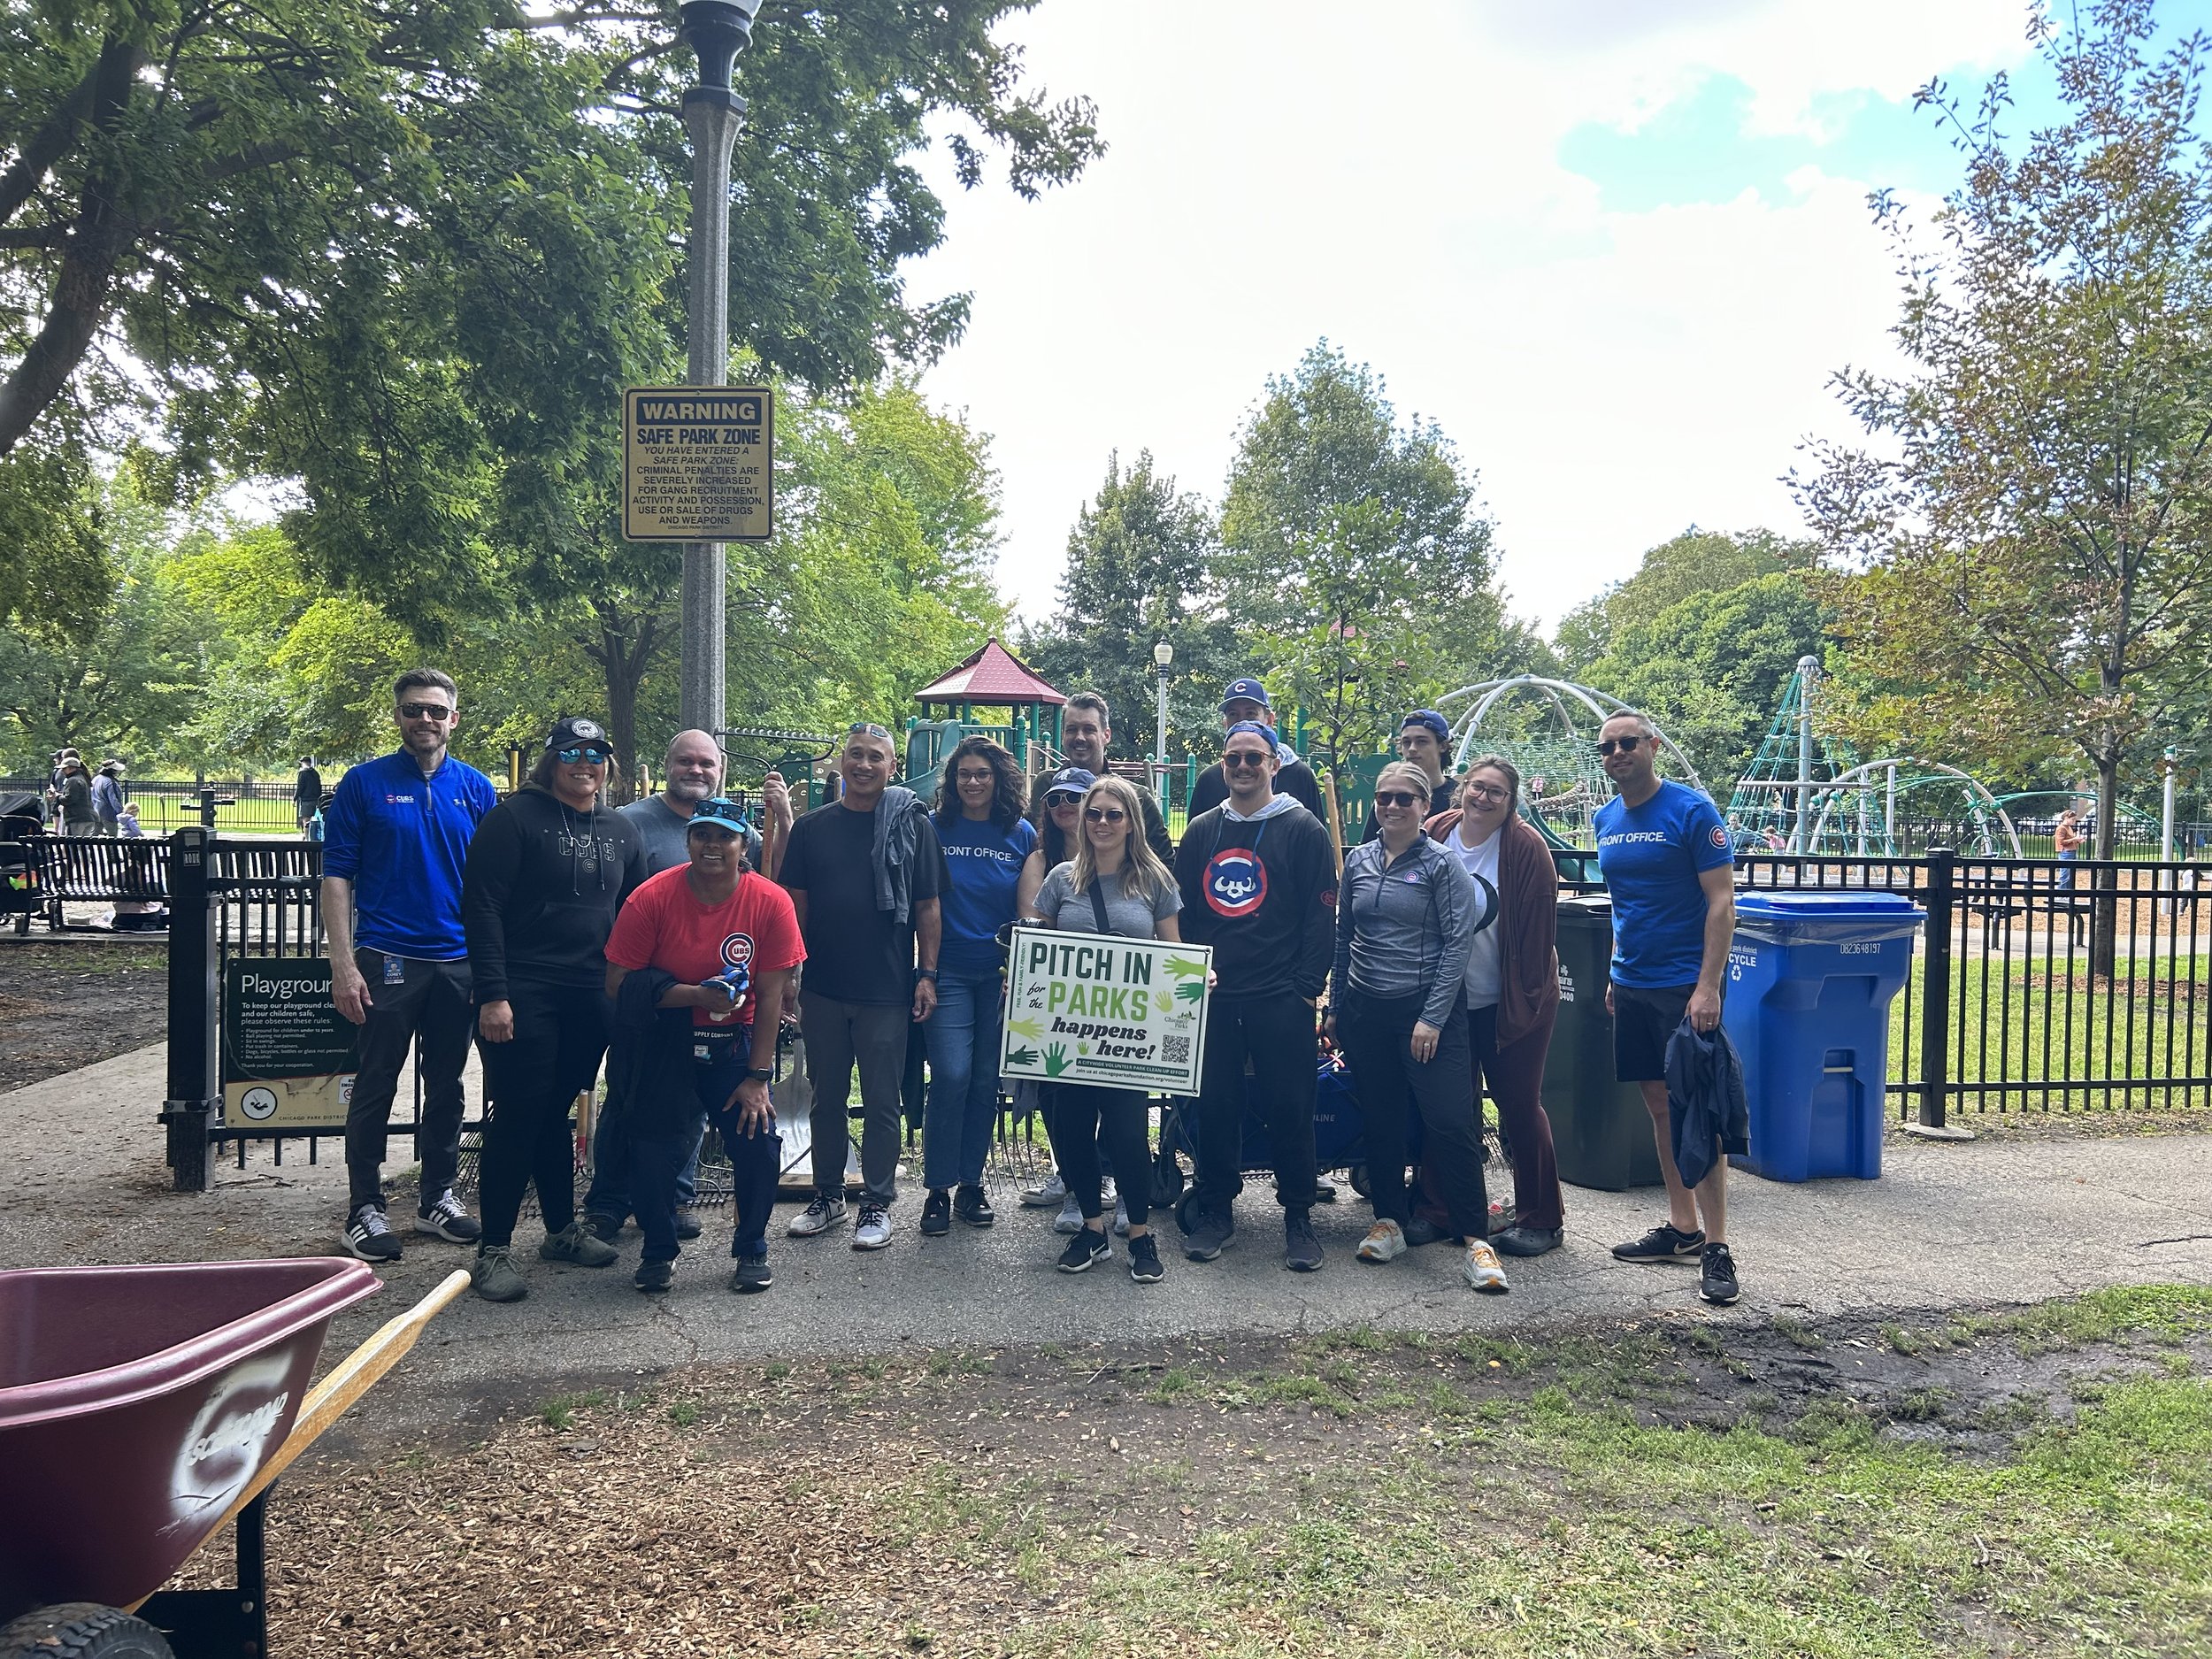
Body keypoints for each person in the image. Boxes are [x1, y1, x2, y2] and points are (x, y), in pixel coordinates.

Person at [462, 717, 645, 1302]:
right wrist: (493, 993)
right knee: (518, 1112)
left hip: (591, 994)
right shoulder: (514, 818)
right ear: (551, 759)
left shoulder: (621, 828)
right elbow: (482, 907)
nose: (584, 763)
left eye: (595, 753)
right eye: (572, 752)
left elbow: (637, 914)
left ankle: (561, 1231)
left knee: (554, 1112)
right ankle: (492, 1249)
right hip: (522, 991)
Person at [584, 730, 791, 1244]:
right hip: (650, 1004)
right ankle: (610, 1203)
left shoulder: (746, 853)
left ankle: (671, 1204)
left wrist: (783, 818)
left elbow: (774, 881)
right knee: (630, 1110)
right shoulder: (631, 823)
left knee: (695, 1120)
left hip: (724, 1026)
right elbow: (611, 909)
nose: (695, 771)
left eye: (705, 763)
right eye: (684, 762)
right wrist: (684, 991)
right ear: (667, 764)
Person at [321, 669, 500, 1263]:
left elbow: (493, 885)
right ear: (398, 717)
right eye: (411, 710)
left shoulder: (475, 789)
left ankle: (436, 1197)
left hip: (458, 962)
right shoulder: (364, 785)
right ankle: (364, 1208)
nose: (423, 719)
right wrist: (344, 964)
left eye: (433, 710)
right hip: (388, 957)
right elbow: (338, 877)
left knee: (447, 1085)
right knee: (376, 1082)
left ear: (453, 718)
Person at [604, 797, 805, 1294]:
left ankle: (752, 1247)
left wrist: (758, 1078)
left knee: (757, 1141)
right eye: (702, 835)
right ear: (688, 840)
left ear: (744, 845)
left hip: (734, 1041)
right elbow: (617, 982)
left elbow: (772, 992)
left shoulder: (769, 901)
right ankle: (657, 1250)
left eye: (725, 837)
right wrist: (695, 994)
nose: (712, 846)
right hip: (663, 1039)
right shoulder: (652, 897)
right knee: (651, 1149)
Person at [1328, 761, 1508, 1293]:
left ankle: (1476, 1239)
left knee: (1450, 1122)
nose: (1391, 807)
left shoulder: (1441, 865)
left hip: (1429, 1014)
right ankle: (1388, 1220)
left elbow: (1458, 942)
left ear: (1425, 807)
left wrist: (1431, 1017)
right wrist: (1336, 1007)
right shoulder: (1357, 861)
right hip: (1367, 1011)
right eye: (1385, 798)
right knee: (1381, 1119)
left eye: (1405, 799)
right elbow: (1344, 940)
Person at [1593, 710, 1741, 1306]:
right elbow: (1622, 904)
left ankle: (1718, 1246)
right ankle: (1682, 1227)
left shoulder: (1691, 811)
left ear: (1653, 746)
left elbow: (1723, 901)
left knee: (1697, 1111)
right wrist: (1611, 970)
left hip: (1685, 988)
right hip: (1631, 983)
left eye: (1628, 743)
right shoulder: (1606, 818)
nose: (1618, 753)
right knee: (1658, 1105)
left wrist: (1708, 987)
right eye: (1606, 747)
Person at [1172, 722, 1334, 1271]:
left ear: (1273, 765)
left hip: (1280, 995)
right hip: (1216, 995)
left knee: (1292, 1105)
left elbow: (1321, 912)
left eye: (1253, 759)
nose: (1243, 767)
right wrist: (1192, 973)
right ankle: (1216, 1209)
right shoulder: (1200, 832)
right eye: (1233, 758)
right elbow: (1186, 914)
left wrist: (1305, 988)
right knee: (1216, 1104)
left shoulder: (1302, 827)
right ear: (1223, 766)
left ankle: (1298, 1215)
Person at [778, 722, 945, 1251]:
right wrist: (788, 975)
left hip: (886, 988)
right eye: (855, 755)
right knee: (825, 1098)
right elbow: (794, 906)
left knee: (881, 1100)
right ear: (841, 763)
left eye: (876, 757)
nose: (864, 765)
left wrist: (928, 974)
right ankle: (827, 1196)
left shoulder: (911, 827)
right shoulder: (811, 829)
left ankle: (876, 1201)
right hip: (823, 985)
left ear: (892, 767)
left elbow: (928, 907)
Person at [1030, 773, 1187, 1284]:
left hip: (1129, 1039)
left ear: (1131, 822)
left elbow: (1172, 950)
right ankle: (1093, 1229)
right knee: (1073, 1129)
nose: (1101, 822)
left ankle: (1140, 1233)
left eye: (1112, 814)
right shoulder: (1059, 881)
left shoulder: (1156, 881)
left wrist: (1194, 976)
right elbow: (1041, 952)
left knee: (1126, 1134)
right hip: (1069, 1037)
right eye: (1093, 813)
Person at [1424, 757, 1567, 1257]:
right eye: (1477, 787)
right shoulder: (1436, 831)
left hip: (1512, 1001)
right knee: (1449, 1107)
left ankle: (1541, 1218)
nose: (1483, 798)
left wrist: (1524, 1007)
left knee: (1519, 1108)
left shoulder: (1527, 850)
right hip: (1449, 1003)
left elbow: (1537, 938)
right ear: (1462, 788)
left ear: (1511, 802)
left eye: (1497, 793)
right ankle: (1442, 1208)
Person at [923, 735, 1036, 1237]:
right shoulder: (934, 828)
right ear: (952, 781)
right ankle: (937, 1188)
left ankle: (970, 1184)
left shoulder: (1020, 833)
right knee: (951, 1075)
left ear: (999, 780)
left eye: (982, 774)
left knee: (987, 1080)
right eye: (963, 774)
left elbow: (1031, 908)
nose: (972, 782)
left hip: (1001, 975)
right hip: (945, 970)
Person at [1015, 766, 1101, 1231]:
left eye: (1075, 796)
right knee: (1058, 1096)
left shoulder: (1130, 863)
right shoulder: (1041, 863)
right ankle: (1074, 1182)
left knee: (1115, 1095)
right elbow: (1033, 931)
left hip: (1112, 1006)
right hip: (1057, 1002)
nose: (1064, 804)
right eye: (1054, 798)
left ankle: (1114, 1181)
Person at [1034, 691, 1172, 865]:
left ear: (1106, 735)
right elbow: (1034, 843)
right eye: (1071, 730)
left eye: (1089, 729)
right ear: (1063, 735)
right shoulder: (1046, 785)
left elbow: (1165, 863)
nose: (1079, 737)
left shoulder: (1137, 797)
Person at [1187, 678, 1325, 818]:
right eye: (1233, 714)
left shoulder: (1299, 775)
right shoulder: (1209, 780)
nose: (1243, 722)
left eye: (1251, 714)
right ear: (1225, 724)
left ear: (1270, 720)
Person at [1360, 711, 1455, 842]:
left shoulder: (1458, 797)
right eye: (1406, 742)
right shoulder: (1389, 797)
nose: (1412, 749)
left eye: (1421, 742)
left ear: (1443, 746)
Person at [58, 757, 96, 838]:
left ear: (71, 768)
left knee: (73, 847)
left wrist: (57, 797)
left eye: (64, 768)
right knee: (84, 847)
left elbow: (70, 799)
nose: (62, 771)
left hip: (76, 818)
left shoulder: (73, 780)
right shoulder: (83, 778)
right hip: (88, 817)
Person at [90, 761, 126, 836]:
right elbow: (114, 800)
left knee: (93, 835)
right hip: (109, 813)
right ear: (112, 771)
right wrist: (120, 811)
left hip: (96, 811)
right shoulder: (110, 782)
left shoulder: (96, 779)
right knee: (112, 836)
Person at [2055, 808, 2083, 891]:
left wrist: (2078, 840)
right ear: (2066, 818)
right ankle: (2061, 893)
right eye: (2073, 819)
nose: (2074, 821)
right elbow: (2061, 842)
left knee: (2070, 874)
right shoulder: (2061, 828)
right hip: (2065, 853)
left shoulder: (2069, 828)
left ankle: (2067, 892)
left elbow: (2070, 840)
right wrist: (2074, 839)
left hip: (2071, 852)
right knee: (2065, 875)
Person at [294, 757, 324, 832]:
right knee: (314, 820)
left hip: (306, 800)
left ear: (303, 763)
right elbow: (319, 786)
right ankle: (312, 837)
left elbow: (300, 787)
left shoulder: (302, 773)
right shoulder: (315, 773)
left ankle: (306, 838)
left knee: (306, 820)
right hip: (316, 800)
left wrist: (294, 798)